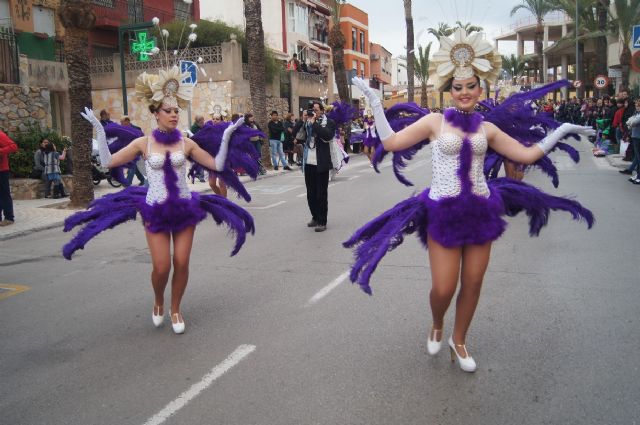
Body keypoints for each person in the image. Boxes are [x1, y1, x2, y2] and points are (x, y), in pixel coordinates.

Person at [345, 28, 595, 372]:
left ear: (481, 89)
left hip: (480, 211)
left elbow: (527, 152)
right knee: (444, 287)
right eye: (458, 87)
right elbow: (390, 143)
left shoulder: (487, 130)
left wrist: (563, 130)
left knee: (474, 282)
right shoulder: (434, 122)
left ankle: (458, 340)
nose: (464, 93)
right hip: (443, 212)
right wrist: (375, 102)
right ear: (450, 90)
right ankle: (437, 322)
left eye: (471, 86)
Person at [63, 38, 257, 335]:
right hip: (155, 208)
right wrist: (100, 131)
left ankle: (176, 308)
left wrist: (228, 136)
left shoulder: (187, 142)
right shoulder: (143, 142)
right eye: (168, 110)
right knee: (162, 267)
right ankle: (157, 300)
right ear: (156, 114)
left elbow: (217, 165)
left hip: (184, 208)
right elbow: (107, 162)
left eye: (177, 110)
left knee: (181, 262)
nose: (174, 114)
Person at [293, 100, 336, 232]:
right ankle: (315, 217)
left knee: (321, 194)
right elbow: (298, 137)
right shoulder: (307, 123)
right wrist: (303, 121)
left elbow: (327, 136)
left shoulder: (329, 122)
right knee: (310, 193)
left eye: (316, 110)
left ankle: (322, 221)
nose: (314, 112)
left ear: (322, 111)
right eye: (312, 110)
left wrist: (315, 124)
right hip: (308, 162)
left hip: (321, 162)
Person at [121, 116, 146, 186]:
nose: (121, 124)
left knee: (131, 166)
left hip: (137, 150)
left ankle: (128, 183)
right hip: (128, 151)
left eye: (122, 122)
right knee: (135, 167)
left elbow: (142, 139)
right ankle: (142, 179)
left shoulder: (137, 129)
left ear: (127, 121)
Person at [207, 114, 228, 197]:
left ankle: (224, 202)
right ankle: (222, 199)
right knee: (212, 183)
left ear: (221, 121)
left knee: (221, 182)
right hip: (212, 160)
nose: (215, 120)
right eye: (213, 119)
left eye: (217, 119)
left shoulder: (225, 131)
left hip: (223, 159)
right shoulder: (209, 131)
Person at [0, 129, 18, 226]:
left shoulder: (0, 135)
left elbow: (13, 146)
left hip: (2, 170)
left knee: (4, 194)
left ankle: (9, 218)